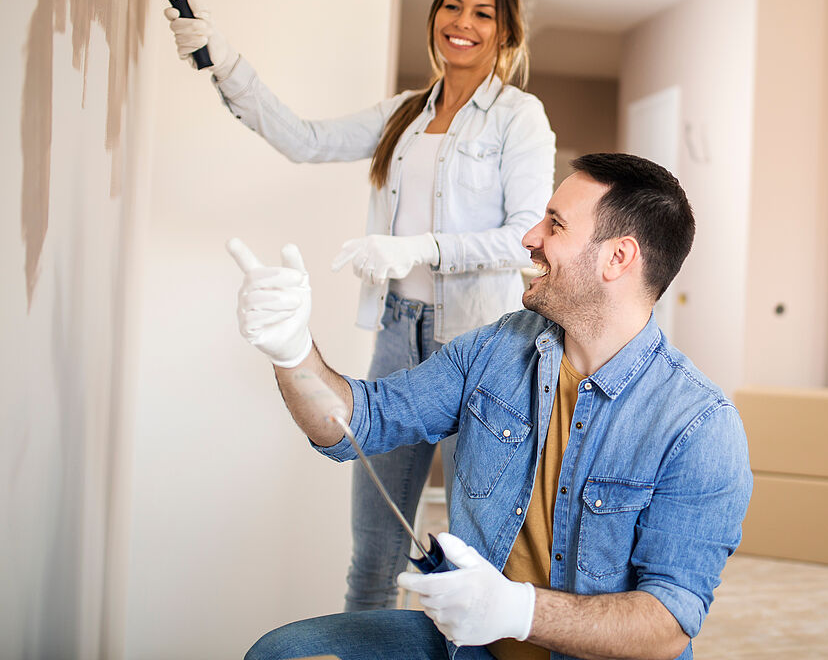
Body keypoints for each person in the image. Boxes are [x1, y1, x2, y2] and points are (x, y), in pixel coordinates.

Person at [229, 153, 753, 660]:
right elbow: (357, 425)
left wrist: (515, 610)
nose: (529, 238)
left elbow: (666, 625)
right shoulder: (495, 350)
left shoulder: (699, 426)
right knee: (285, 655)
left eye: (554, 224)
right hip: (468, 649)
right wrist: (292, 351)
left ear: (618, 258)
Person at [165, 0, 556, 611]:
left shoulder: (520, 118)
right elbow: (305, 139)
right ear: (434, 14)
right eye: (452, 6)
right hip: (400, 334)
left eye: (483, 13)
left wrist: (419, 246)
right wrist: (222, 60)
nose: (462, 23)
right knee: (374, 556)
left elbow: (524, 237)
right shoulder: (405, 113)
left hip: (483, 346)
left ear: (505, 31)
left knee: (478, 558)